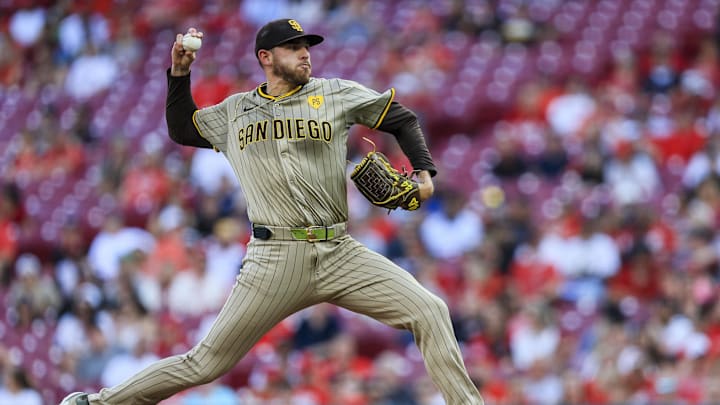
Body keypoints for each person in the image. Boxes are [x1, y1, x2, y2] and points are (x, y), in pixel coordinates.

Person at [61, 18, 484, 404]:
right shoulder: (236, 111)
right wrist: (179, 74)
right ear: (266, 57)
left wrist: (424, 172)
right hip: (274, 258)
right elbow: (182, 128)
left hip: (340, 251)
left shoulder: (334, 92)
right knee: (205, 363)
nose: (305, 54)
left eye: (307, 46)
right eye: (293, 47)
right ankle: (98, 403)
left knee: (431, 310)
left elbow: (401, 119)